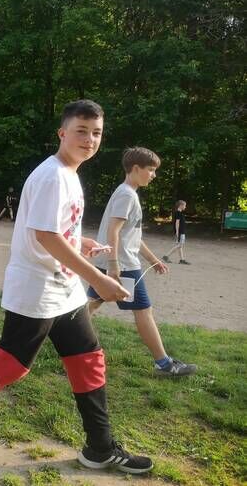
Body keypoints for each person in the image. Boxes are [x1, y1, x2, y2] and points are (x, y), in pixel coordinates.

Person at [0, 100, 154, 475]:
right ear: (62, 133)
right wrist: (98, 278)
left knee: (88, 360)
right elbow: (45, 236)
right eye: (81, 131)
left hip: (65, 290)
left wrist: (80, 242)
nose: (89, 139)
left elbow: (55, 232)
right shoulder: (53, 176)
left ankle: (99, 447)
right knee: (11, 363)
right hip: (37, 290)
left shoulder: (69, 173)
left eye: (96, 133)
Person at [88, 149, 197, 377]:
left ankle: (61, 335)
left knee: (93, 303)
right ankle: (164, 365)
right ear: (136, 168)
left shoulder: (127, 193)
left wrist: (153, 260)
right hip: (123, 265)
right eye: (151, 170)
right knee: (143, 311)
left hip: (113, 261)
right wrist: (114, 265)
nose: (154, 175)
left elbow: (132, 236)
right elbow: (113, 231)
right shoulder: (127, 195)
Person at [162, 200, 190, 264]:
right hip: (180, 232)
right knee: (180, 245)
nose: (185, 207)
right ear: (181, 206)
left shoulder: (179, 213)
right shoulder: (178, 213)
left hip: (181, 231)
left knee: (179, 246)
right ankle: (166, 256)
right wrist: (177, 232)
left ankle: (182, 260)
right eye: (185, 205)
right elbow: (177, 223)